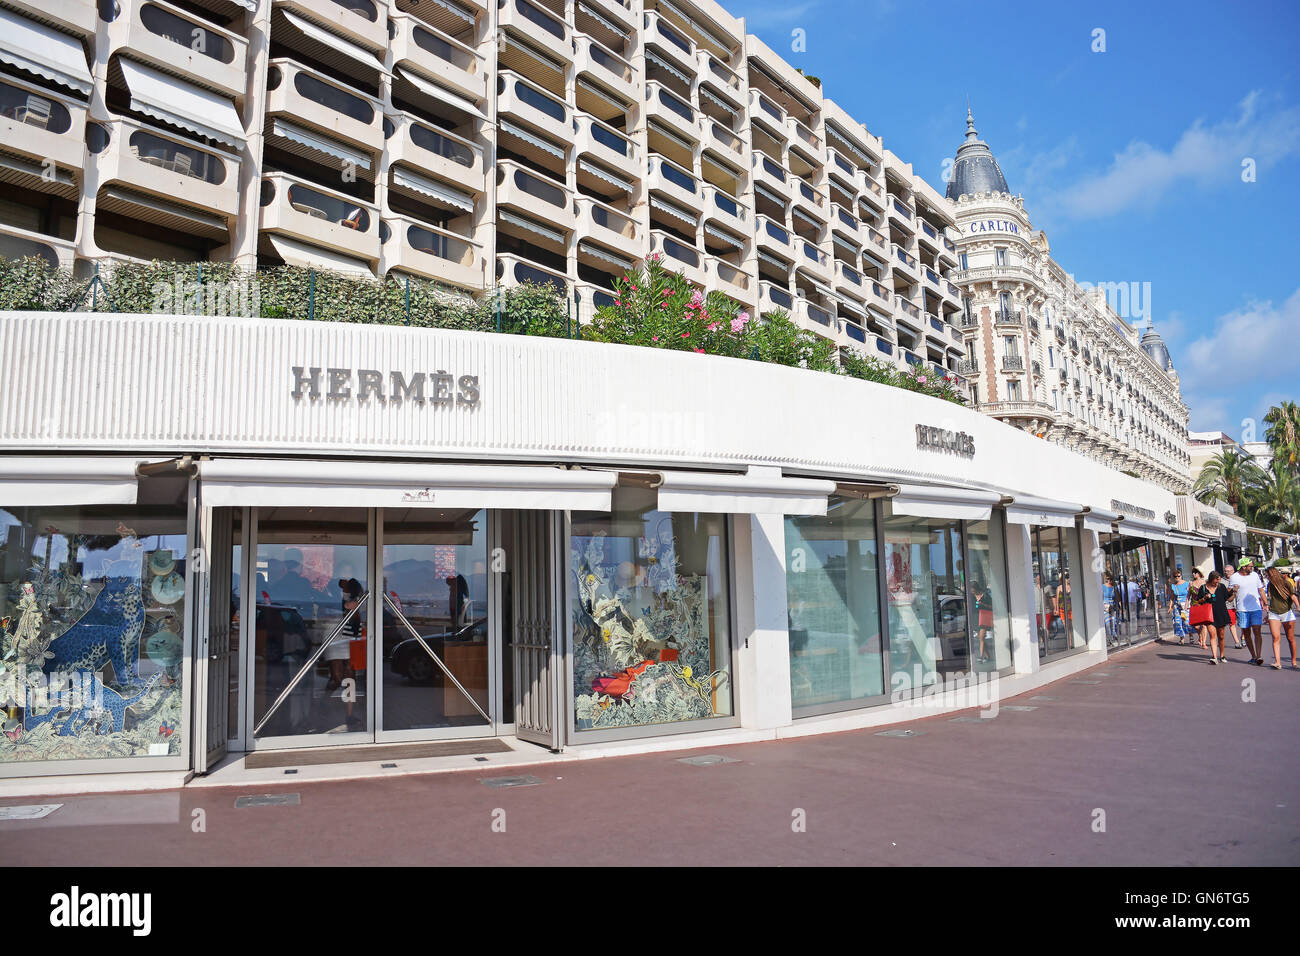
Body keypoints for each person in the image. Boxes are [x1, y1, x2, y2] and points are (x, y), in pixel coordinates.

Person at [1229, 558, 1267, 666]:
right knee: (1246, 633)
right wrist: (1234, 591)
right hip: (1242, 609)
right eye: (1250, 566)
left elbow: (1261, 590)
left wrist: (1266, 604)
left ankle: (1259, 656)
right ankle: (1253, 656)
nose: (1252, 567)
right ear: (1244, 567)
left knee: (1257, 630)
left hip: (1256, 608)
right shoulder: (1234, 577)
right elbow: (1229, 595)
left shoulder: (1255, 575)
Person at [1263, 560, 1299, 670]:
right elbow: (1271, 600)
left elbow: (1293, 596)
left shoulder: (1286, 583)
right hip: (1274, 613)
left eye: (1267, 575)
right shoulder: (1269, 585)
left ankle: (1293, 661)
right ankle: (1278, 662)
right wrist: (1268, 612)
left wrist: (1298, 606)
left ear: (1272, 574)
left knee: (1290, 638)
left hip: (1287, 613)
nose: (1266, 577)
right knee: (1276, 637)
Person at [1202, 571, 1231, 665]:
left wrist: (1234, 592)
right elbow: (1198, 601)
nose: (1217, 582)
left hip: (1221, 614)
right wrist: (1205, 598)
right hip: (1209, 615)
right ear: (1211, 579)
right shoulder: (1203, 588)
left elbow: (1228, 598)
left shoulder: (1221, 587)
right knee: (1212, 635)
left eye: (1218, 580)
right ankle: (1214, 657)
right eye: (1216, 581)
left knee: (1221, 636)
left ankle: (1222, 655)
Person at [1168, 568, 1193, 645]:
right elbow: (1172, 597)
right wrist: (1170, 607)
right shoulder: (1173, 586)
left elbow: (1190, 595)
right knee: (1178, 622)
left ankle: (1191, 636)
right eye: (1175, 576)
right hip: (1177, 606)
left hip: (1185, 605)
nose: (1177, 578)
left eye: (1178, 576)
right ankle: (1181, 638)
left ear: (1181, 576)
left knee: (1186, 622)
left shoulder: (1187, 584)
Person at [1222, 563, 1242, 648]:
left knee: (1243, 624)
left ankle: (1243, 638)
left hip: (1240, 604)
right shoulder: (1222, 581)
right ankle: (1237, 642)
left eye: (1229, 571)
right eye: (1225, 571)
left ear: (1233, 571)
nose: (1227, 573)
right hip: (1229, 605)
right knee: (1232, 623)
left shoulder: (1239, 579)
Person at [1102, 572, 1121, 646]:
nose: (1109, 581)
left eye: (1111, 579)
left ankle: (1113, 637)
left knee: (1114, 624)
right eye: (1107, 579)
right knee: (1107, 624)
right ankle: (1109, 640)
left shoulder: (1115, 587)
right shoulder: (1102, 587)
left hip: (1114, 608)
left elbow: (1118, 598)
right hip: (1105, 608)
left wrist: (1121, 607)